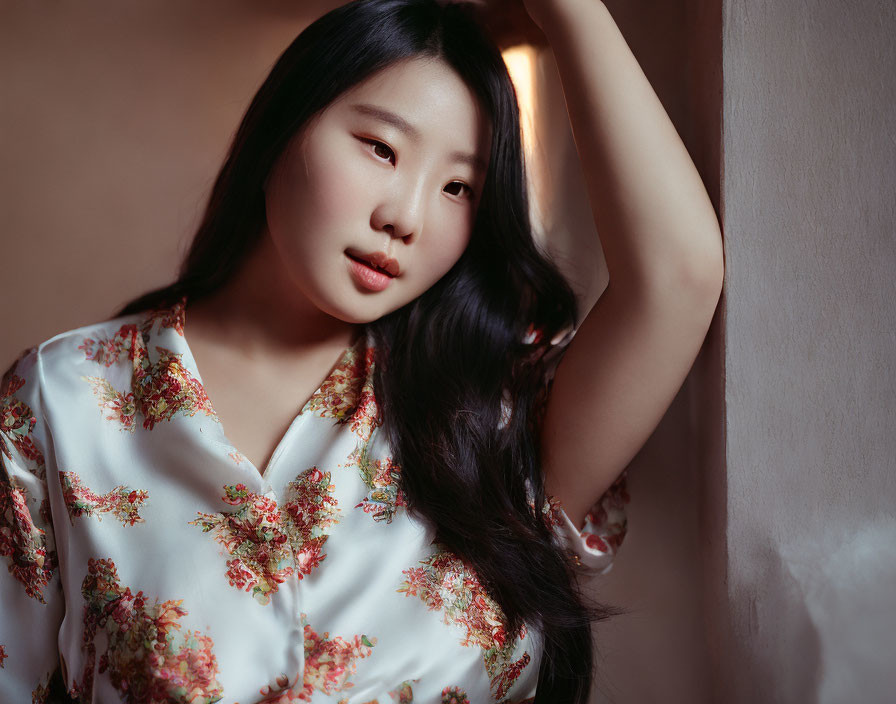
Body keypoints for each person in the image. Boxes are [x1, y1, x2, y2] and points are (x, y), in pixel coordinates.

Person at [0, 0, 724, 702]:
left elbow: (678, 277)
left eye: (458, 188)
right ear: (284, 124)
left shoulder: (497, 412)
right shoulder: (63, 400)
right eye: (381, 148)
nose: (404, 216)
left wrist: (568, 8)